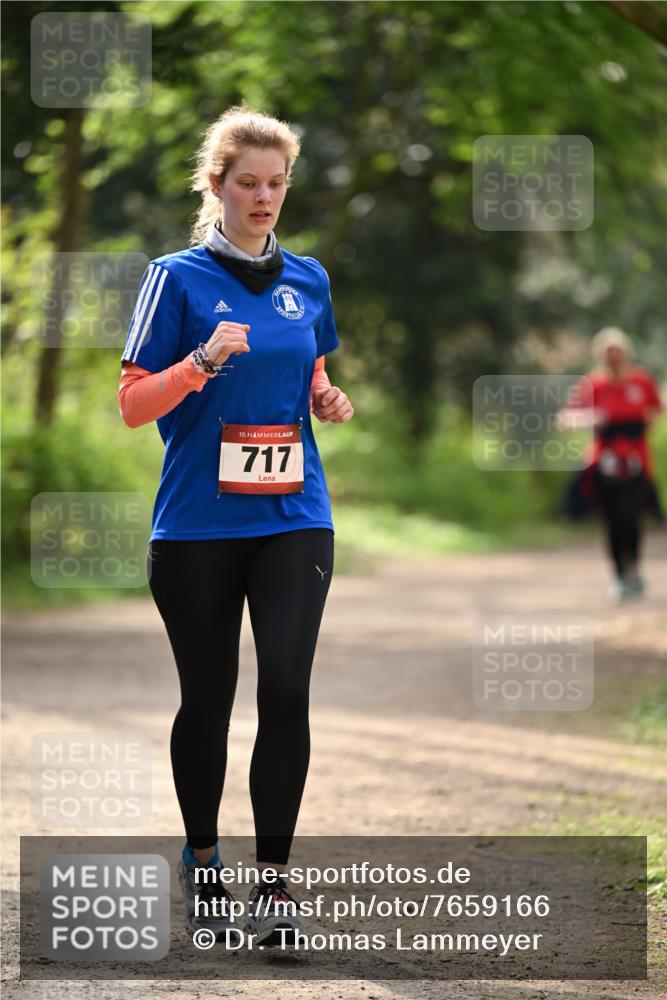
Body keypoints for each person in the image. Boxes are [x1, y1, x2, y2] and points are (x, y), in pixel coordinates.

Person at [118, 105, 354, 945]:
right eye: (246, 182)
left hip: (294, 514)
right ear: (215, 186)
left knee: (285, 687)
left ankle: (276, 887)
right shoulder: (174, 278)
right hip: (196, 525)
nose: (262, 197)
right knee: (208, 700)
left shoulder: (309, 280)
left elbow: (309, 368)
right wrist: (199, 363)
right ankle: (203, 857)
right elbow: (132, 405)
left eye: (275, 183)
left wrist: (324, 396)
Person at [560, 327, 663, 602]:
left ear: (626, 352)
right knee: (612, 519)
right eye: (608, 352)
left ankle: (633, 569)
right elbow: (566, 419)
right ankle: (619, 575)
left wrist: (647, 421)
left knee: (630, 516)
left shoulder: (641, 381)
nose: (614, 357)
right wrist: (591, 418)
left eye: (618, 351)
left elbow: (657, 408)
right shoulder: (592, 384)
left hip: (636, 460)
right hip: (604, 461)